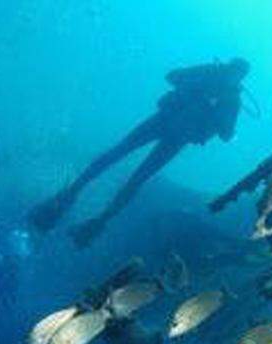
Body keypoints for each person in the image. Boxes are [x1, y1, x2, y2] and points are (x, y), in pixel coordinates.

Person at [29, 57, 250, 248]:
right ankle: (73, 196)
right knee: (118, 157)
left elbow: (226, 134)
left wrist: (219, 108)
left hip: (175, 134)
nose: (229, 75)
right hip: (165, 123)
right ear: (227, 68)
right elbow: (172, 76)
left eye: (234, 73)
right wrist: (202, 79)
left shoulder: (232, 100)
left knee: (133, 173)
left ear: (239, 78)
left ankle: (96, 219)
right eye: (229, 70)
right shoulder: (209, 74)